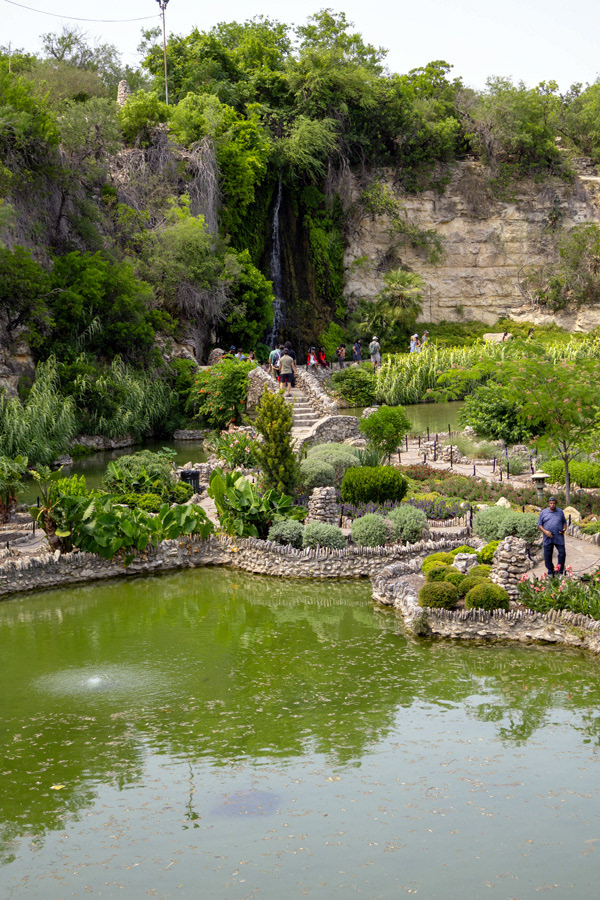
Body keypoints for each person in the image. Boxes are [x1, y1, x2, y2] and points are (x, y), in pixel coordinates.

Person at [538, 496, 567, 575]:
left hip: (559, 537)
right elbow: (539, 525)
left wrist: (564, 529)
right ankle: (551, 571)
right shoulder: (543, 512)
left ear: (556, 504)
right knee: (547, 557)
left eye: (554, 503)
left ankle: (559, 571)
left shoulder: (560, 511)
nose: (552, 505)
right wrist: (545, 532)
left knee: (562, 553)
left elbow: (564, 522)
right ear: (548, 504)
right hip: (548, 537)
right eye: (551, 503)